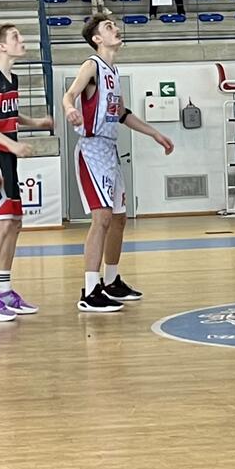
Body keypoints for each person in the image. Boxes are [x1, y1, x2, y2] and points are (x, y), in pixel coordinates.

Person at [64, 15, 174, 311]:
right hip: (92, 148)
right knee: (101, 218)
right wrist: (69, 108)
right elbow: (70, 94)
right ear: (97, 38)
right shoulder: (92, 65)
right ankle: (90, 291)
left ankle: (111, 281)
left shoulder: (113, 70)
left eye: (114, 25)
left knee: (119, 219)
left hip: (110, 149)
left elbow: (122, 113)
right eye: (108, 26)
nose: (116, 28)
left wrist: (154, 133)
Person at [0, 24, 56, 320]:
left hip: (7, 157)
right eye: (16, 37)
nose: (22, 40)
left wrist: (34, 123)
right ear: (2, 46)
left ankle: (3, 289)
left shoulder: (11, 78)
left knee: (14, 223)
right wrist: (10, 144)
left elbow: (8, 113)